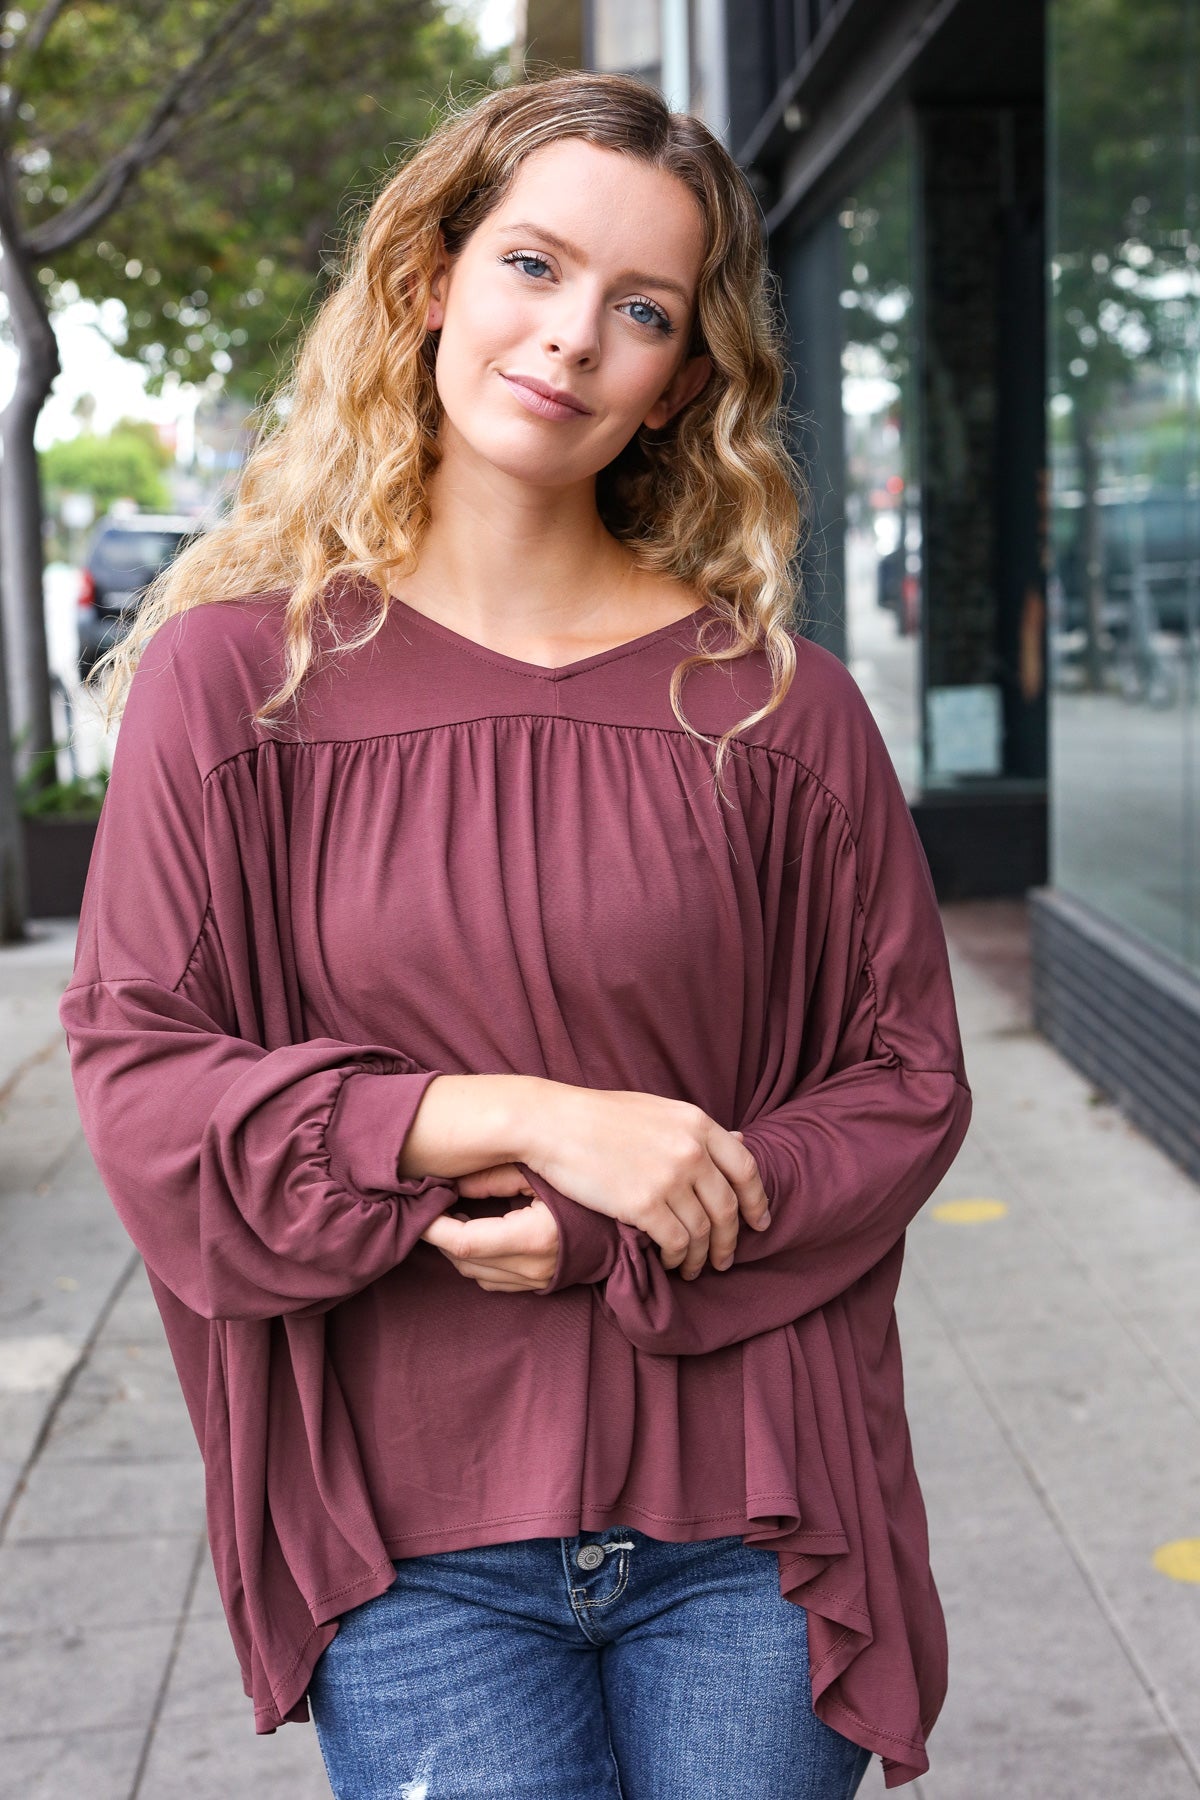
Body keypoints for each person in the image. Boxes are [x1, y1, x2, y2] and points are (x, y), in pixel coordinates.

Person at [59, 67, 972, 1799]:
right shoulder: (236, 685)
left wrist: (628, 1230)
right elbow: (147, 1093)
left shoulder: (779, 710)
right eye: (534, 268)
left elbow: (907, 1091)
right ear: (433, 283)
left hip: (749, 1527)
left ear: (681, 380)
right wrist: (525, 1117)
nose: (570, 339)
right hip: (413, 1550)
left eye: (640, 309)